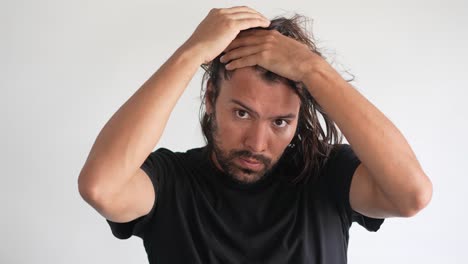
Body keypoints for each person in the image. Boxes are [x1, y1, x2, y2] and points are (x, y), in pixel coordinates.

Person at [78, 6, 433, 263]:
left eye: (280, 122)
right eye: (242, 113)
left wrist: (314, 69)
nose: (257, 144)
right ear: (210, 98)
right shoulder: (170, 181)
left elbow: (412, 195)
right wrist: (192, 54)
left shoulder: (327, 175)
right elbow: (101, 187)